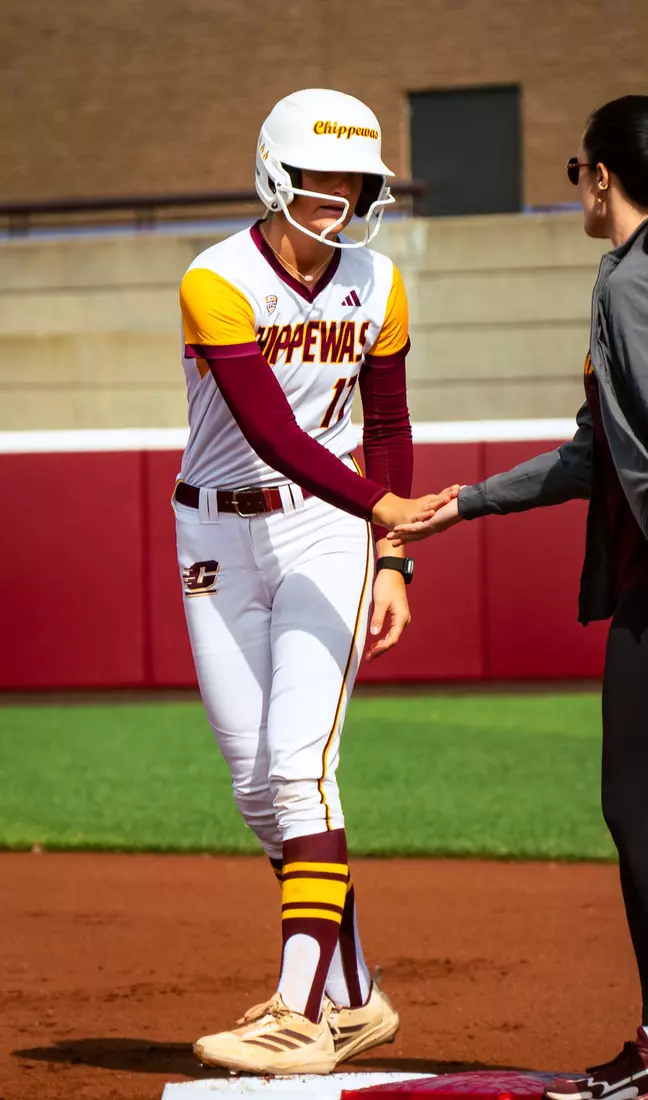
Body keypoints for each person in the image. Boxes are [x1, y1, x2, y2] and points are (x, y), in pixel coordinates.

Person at [391, 96, 648, 1100]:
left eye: (577, 167)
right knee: (639, 808)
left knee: (638, 808)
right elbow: (591, 455)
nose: (574, 183)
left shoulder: (635, 280)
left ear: (600, 176)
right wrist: (465, 503)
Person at [174, 87, 453, 1076]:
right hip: (214, 530)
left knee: (300, 765)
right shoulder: (215, 278)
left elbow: (387, 425)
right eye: (320, 177)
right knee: (260, 790)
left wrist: (390, 555)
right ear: (274, 174)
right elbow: (269, 431)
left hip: (327, 538)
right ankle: (354, 994)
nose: (339, 195)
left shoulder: (379, 282)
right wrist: (384, 510)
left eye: (355, 180)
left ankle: (295, 1012)